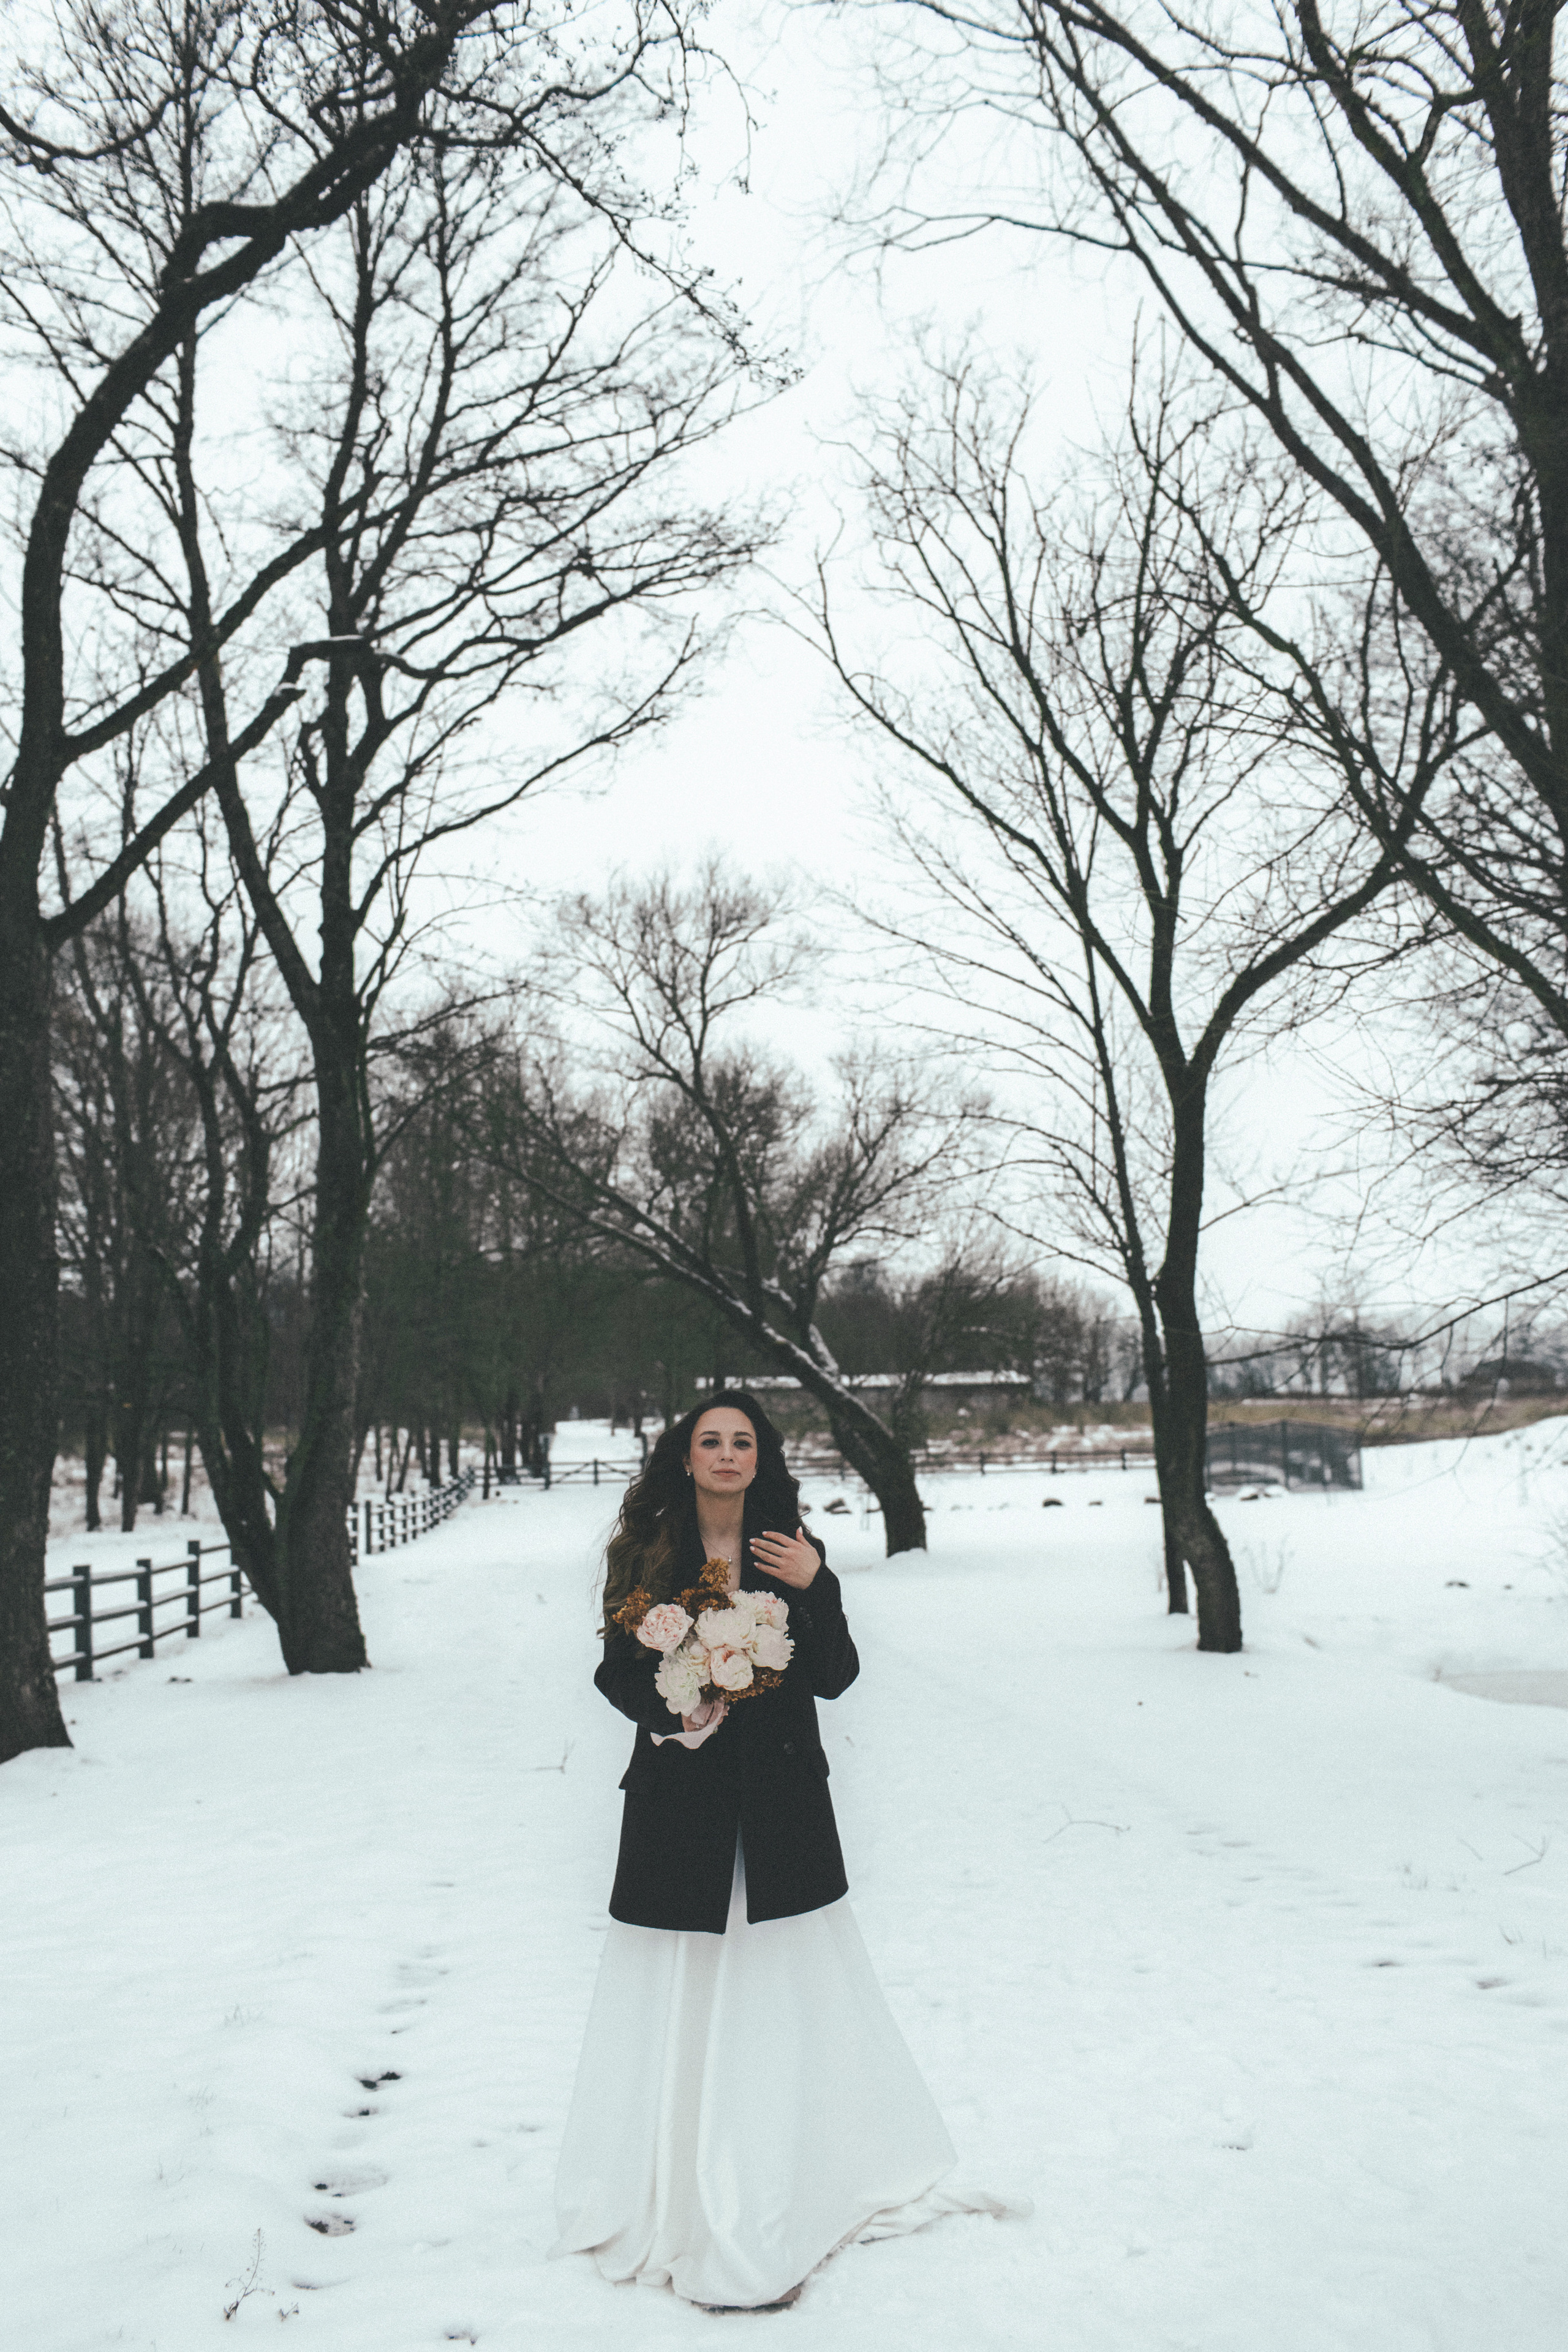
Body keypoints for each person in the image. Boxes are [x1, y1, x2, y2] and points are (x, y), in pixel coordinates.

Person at [551, 1389, 1024, 2310]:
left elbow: (838, 1677)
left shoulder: (790, 1549)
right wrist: (674, 1709)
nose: (727, 1455)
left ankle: (785, 2169)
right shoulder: (645, 1551)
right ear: (684, 1457)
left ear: (762, 1457)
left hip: (777, 1804)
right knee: (685, 1982)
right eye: (709, 1441)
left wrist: (819, 1589)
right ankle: (674, 2181)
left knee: (778, 1984)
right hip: (679, 1800)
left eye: (742, 1441)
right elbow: (616, 1667)